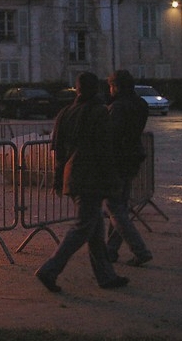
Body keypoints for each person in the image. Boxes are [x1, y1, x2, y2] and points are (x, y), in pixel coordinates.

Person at [35, 72, 129, 292]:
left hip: (73, 174)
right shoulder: (99, 112)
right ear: (96, 89)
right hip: (91, 176)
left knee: (94, 228)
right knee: (83, 227)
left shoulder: (66, 113)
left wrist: (59, 177)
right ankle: (50, 269)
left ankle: (106, 276)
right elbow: (105, 149)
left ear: (77, 89)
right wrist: (112, 179)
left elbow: (57, 150)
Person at [105, 69, 153, 266]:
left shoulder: (117, 108)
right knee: (120, 206)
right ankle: (110, 251)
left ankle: (140, 250)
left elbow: (111, 137)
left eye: (110, 86)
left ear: (116, 86)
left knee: (114, 208)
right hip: (133, 158)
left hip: (117, 161)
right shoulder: (140, 104)